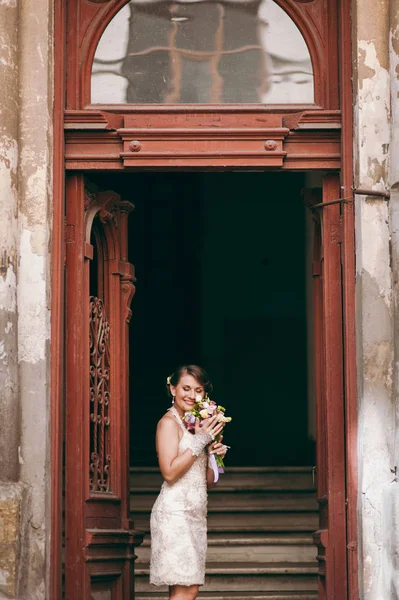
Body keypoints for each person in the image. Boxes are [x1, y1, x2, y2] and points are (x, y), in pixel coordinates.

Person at [150, 365, 228, 600]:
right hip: (174, 514)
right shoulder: (168, 424)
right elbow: (170, 474)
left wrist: (215, 456)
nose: (192, 396)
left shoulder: (194, 425)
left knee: (182, 589)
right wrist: (200, 440)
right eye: (185, 388)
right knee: (188, 589)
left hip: (195, 515)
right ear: (172, 389)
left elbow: (210, 483)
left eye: (199, 390)